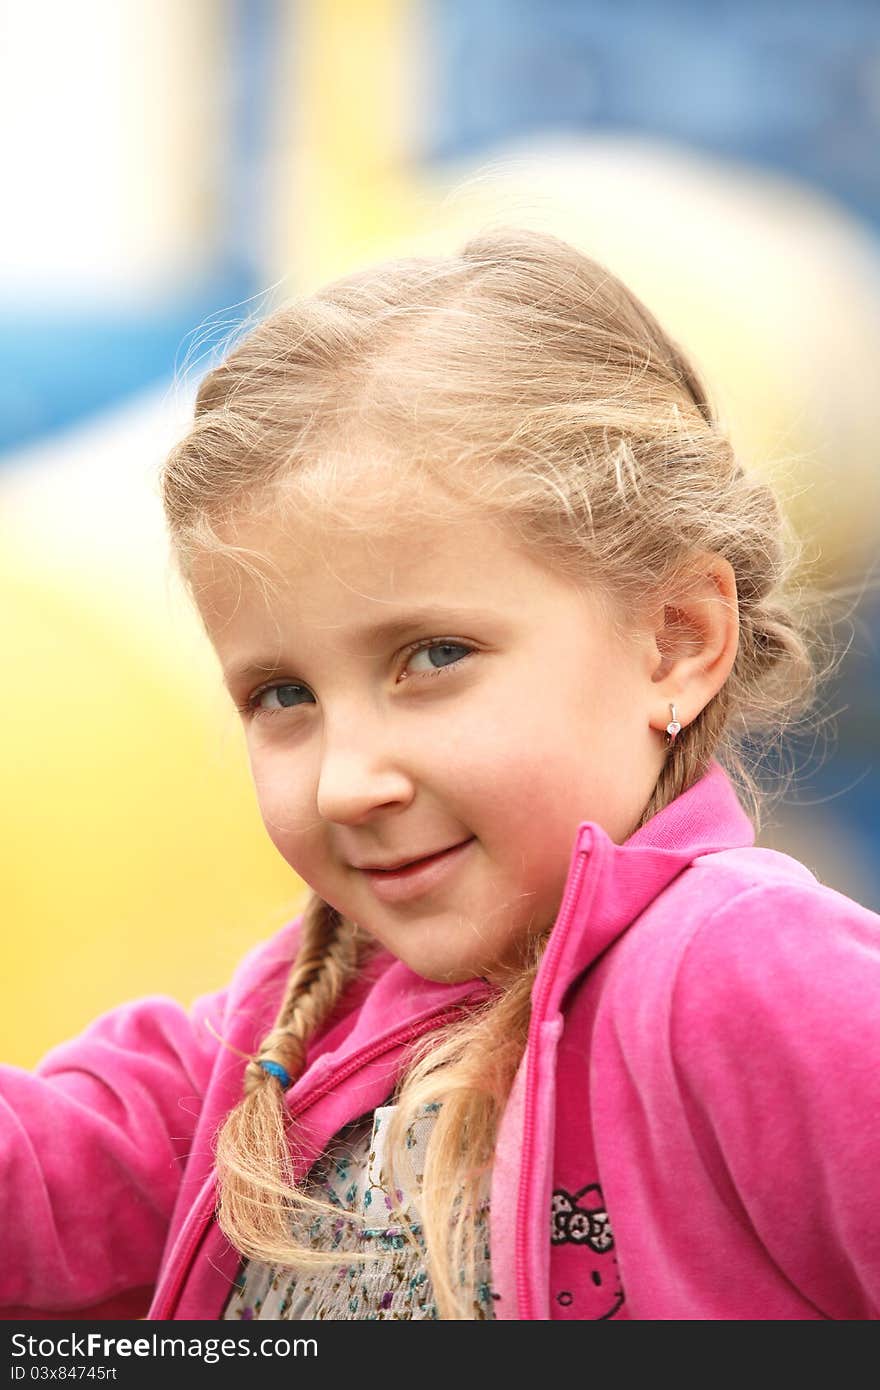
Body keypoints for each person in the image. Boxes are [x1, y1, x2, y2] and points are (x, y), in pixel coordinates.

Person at [3, 226, 880, 1322]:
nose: (346, 781)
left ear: (675, 639)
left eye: (432, 657)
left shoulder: (747, 976)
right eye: (283, 696)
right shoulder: (278, 1037)